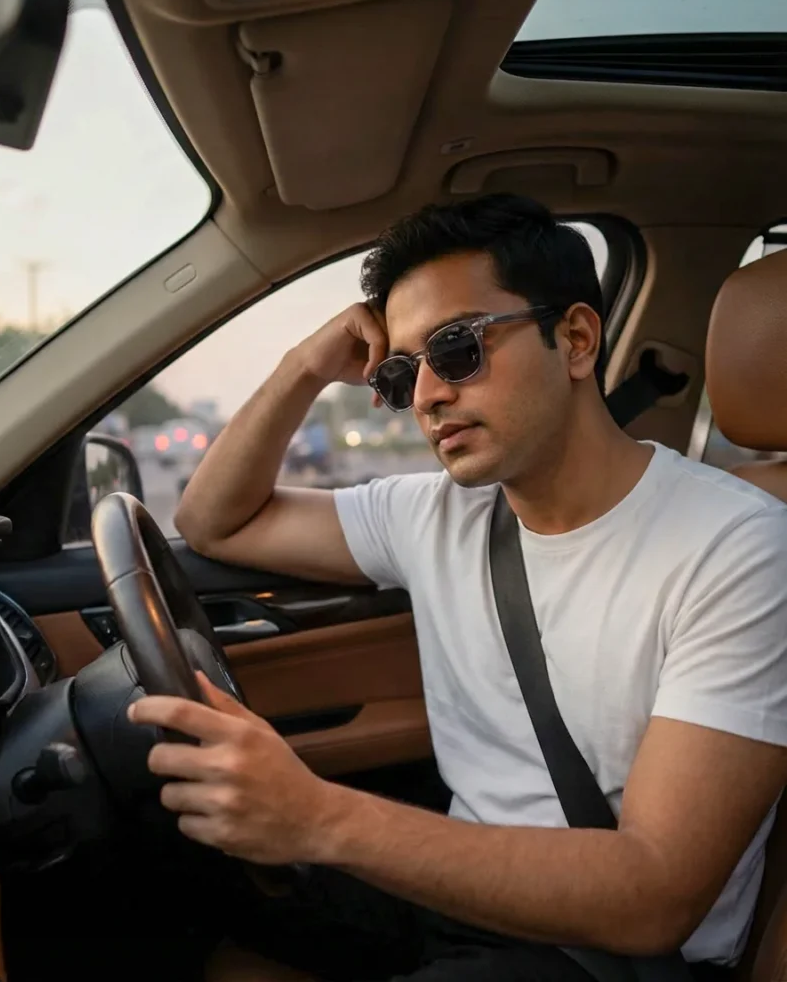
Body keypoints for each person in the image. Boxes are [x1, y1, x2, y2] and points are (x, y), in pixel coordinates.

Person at [130, 194, 787, 981]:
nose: (424, 395)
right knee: (164, 892)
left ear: (575, 339)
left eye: (457, 349)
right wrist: (303, 367)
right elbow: (212, 522)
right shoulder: (434, 514)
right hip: (455, 891)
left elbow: (654, 895)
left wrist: (316, 816)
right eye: (401, 371)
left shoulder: (736, 550)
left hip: (605, 954)